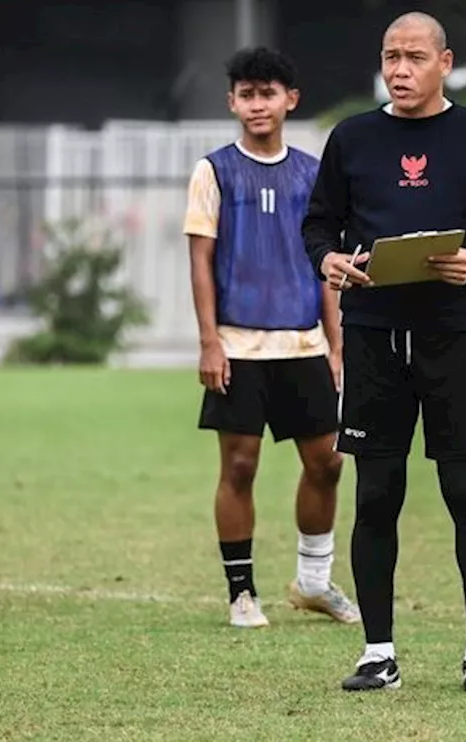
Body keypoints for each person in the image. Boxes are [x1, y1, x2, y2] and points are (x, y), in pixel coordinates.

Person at [302, 11, 466, 693]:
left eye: (413, 57)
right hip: (372, 335)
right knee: (377, 496)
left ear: (445, 62)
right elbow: (318, 224)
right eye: (390, 56)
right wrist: (330, 260)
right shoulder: (353, 137)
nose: (398, 70)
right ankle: (378, 652)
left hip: (454, 334)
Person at [185, 46, 360, 629]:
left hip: (304, 343)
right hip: (237, 344)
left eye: (268, 94)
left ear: (291, 100)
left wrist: (337, 346)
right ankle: (242, 592)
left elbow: (327, 267)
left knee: (329, 462)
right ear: (232, 101)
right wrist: (209, 340)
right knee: (239, 466)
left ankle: (313, 582)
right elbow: (200, 261)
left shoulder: (313, 174)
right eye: (247, 94)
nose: (257, 105)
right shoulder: (214, 171)